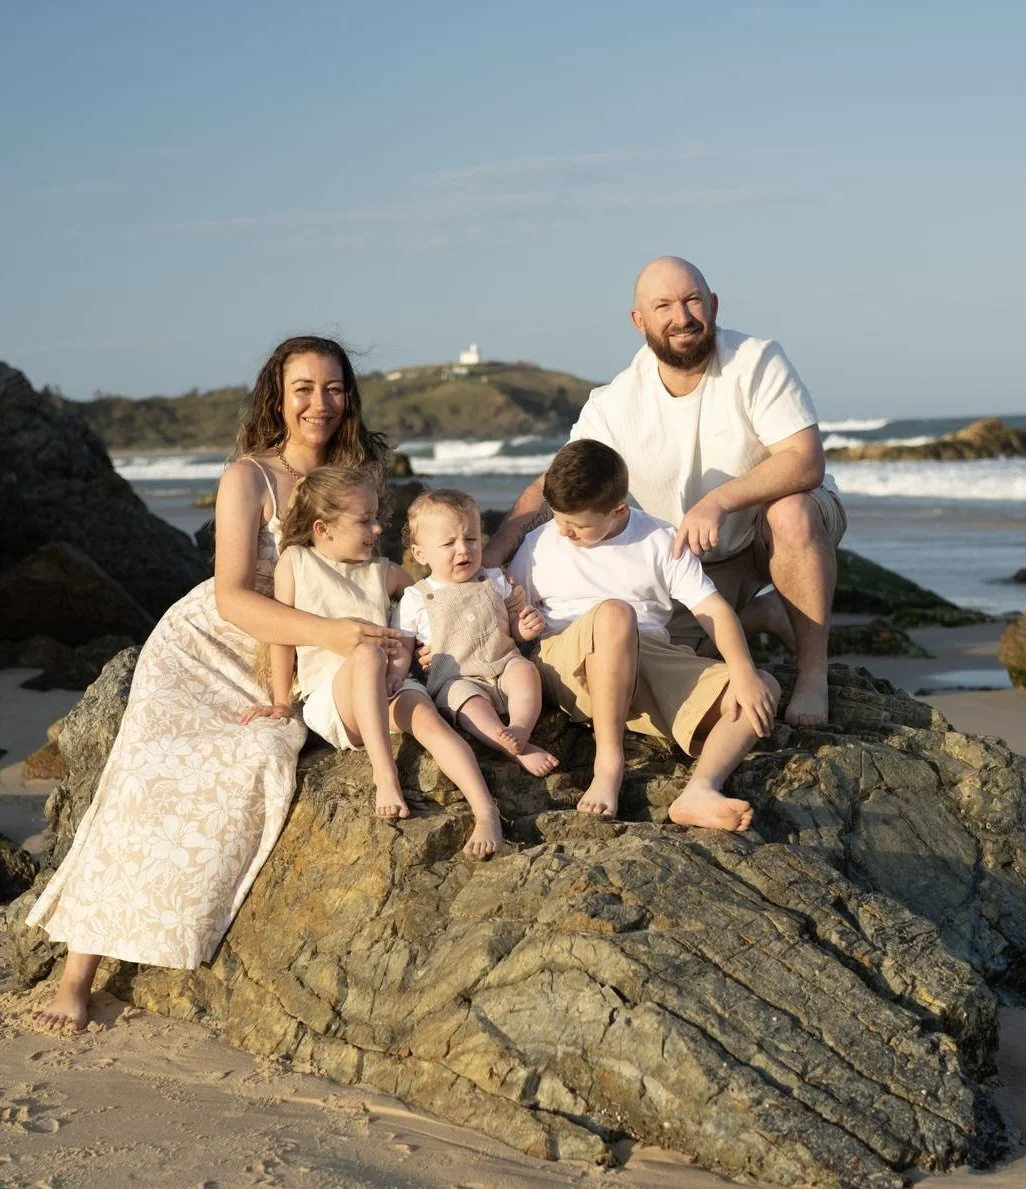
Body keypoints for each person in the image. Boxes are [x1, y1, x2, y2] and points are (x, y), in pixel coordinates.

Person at [26, 335, 406, 1032]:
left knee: (257, 758)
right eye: (304, 388)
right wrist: (332, 635)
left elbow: (374, 570)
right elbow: (233, 594)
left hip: (298, 653)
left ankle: (170, 934)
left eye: (333, 387)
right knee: (148, 771)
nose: (319, 402)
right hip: (210, 648)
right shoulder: (250, 477)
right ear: (277, 396)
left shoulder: (360, 471)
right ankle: (78, 971)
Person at [484, 256, 845, 728]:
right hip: (688, 556)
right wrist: (495, 551)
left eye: (693, 300)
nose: (682, 316)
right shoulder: (616, 402)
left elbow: (805, 459)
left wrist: (718, 501)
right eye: (664, 306)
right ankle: (765, 614)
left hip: (766, 534)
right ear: (639, 321)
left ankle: (812, 674)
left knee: (792, 512)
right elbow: (557, 481)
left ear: (713, 305)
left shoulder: (756, 361)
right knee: (657, 655)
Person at [507, 439, 780, 828]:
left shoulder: (659, 539)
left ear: (619, 509)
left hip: (643, 660)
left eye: (578, 525)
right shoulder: (539, 545)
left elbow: (712, 609)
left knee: (760, 687)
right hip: (568, 661)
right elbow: (509, 614)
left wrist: (743, 669)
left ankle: (701, 789)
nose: (564, 532)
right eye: (558, 518)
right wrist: (520, 627)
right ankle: (608, 765)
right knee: (616, 613)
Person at [243, 467, 503, 857]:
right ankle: (386, 775)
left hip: (390, 686)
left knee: (430, 722)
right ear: (323, 529)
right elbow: (281, 636)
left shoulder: (382, 572)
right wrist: (282, 699)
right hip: (335, 697)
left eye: (377, 518)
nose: (379, 529)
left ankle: (486, 811)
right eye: (365, 520)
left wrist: (429, 644)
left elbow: (433, 597)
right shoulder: (296, 562)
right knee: (366, 654)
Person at [396, 489, 559, 778]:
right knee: (469, 705)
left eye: (471, 539)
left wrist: (525, 628)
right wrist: (394, 677)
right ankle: (510, 745)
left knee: (525, 672)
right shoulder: (417, 597)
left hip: (503, 663)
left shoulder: (494, 579)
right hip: (457, 679)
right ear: (420, 553)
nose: (464, 549)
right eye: (449, 543)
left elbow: (514, 628)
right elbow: (404, 648)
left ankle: (520, 727)